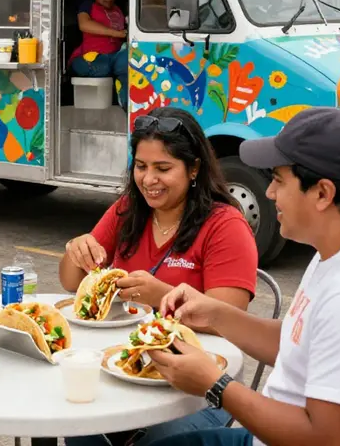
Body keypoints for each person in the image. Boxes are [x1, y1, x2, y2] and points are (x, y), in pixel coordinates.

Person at [147, 107, 340, 446]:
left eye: (277, 179)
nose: (270, 193)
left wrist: (214, 384)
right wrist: (214, 312)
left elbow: (326, 440)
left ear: (323, 193)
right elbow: (296, 344)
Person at [61, 107, 258, 446]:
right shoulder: (128, 210)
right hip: (125, 365)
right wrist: (76, 249)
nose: (149, 180)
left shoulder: (224, 225)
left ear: (194, 168)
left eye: (163, 168)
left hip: (199, 384)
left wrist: (158, 295)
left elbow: (231, 316)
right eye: (141, 166)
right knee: (74, 423)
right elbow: (70, 282)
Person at [68, 0, 129, 109]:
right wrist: (116, 33)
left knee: (131, 60)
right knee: (104, 66)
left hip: (115, 56)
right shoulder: (88, 5)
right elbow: (84, 24)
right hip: (91, 57)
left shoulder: (118, 9)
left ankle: (126, 106)